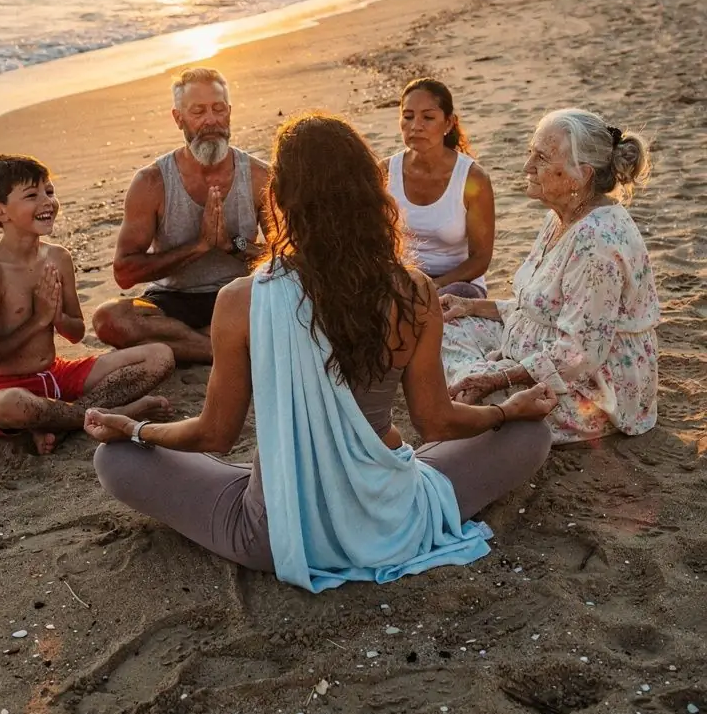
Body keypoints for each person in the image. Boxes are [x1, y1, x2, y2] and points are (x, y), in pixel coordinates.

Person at [85, 114, 555, 589]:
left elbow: (214, 434)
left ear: (278, 198)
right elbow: (437, 423)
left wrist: (136, 428)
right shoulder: (413, 291)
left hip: (277, 533)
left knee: (116, 459)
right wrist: (506, 412)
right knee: (531, 434)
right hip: (394, 518)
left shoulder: (241, 300)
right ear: (371, 194)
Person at [440, 110, 659, 444]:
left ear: (581, 175)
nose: (527, 166)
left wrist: (499, 378)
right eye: (531, 152)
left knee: (477, 393)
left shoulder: (596, 243)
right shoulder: (562, 217)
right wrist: (471, 307)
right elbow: (541, 307)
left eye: (541, 158)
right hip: (539, 352)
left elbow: (580, 354)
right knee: (446, 324)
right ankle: (475, 379)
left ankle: (478, 384)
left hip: (593, 390)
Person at [0, 155, 174, 454]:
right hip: (2, 387)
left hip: (55, 375)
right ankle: (117, 414)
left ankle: (65, 420)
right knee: (13, 405)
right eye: (32, 195)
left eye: (49, 192)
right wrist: (38, 320)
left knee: (160, 356)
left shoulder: (58, 257)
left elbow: (76, 333)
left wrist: (57, 318)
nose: (47, 202)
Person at [93, 68, 269, 363]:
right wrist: (198, 247)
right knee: (110, 318)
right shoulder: (152, 182)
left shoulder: (259, 176)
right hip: (173, 301)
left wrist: (232, 245)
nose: (211, 120)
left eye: (218, 109)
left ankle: (189, 342)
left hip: (240, 294)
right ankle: (220, 350)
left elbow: (286, 260)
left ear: (229, 113)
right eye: (198, 111)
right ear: (178, 118)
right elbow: (124, 273)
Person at [382, 79, 494, 298]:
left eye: (428, 117)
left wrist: (434, 286)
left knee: (448, 303)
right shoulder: (385, 173)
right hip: (402, 280)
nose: (416, 126)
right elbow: (373, 242)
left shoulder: (473, 178)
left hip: (457, 283)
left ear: (448, 123)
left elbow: (480, 258)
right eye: (408, 116)